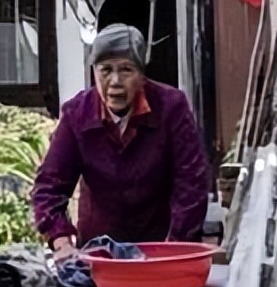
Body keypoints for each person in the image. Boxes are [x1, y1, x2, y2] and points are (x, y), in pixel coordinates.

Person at [32, 24, 210, 261]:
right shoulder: (77, 115)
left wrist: (175, 247)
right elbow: (48, 188)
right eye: (106, 70)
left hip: (161, 249)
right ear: (94, 71)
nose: (115, 81)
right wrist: (62, 242)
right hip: (99, 254)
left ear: (141, 73)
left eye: (126, 70)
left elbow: (192, 184)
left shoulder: (171, 107)